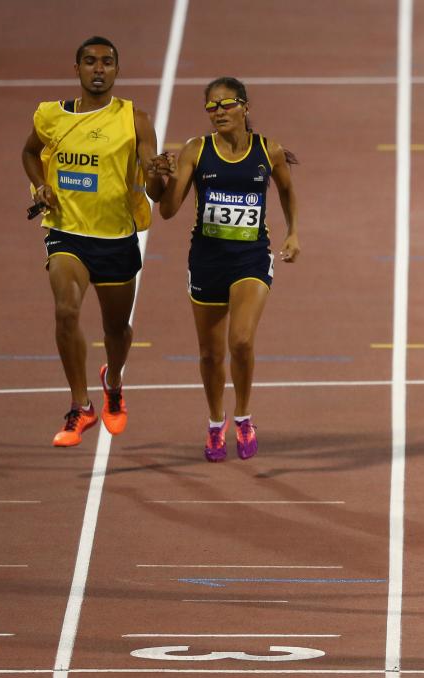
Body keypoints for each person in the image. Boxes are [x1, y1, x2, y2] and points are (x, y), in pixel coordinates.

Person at [22, 36, 168, 447]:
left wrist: (158, 172)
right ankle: (80, 405)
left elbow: (154, 190)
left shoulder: (134, 119)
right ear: (77, 69)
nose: (98, 68)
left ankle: (114, 382)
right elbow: (30, 154)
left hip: (116, 238)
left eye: (107, 62)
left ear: (117, 70)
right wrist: (39, 187)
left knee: (116, 329)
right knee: (66, 311)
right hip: (67, 233)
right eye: (90, 61)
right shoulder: (51, 116)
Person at [158, 76, 299, 462]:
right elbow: (168, 210)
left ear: (245, 107)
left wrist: (293, 233)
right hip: (206, 261)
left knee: (240, 340)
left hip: (250, 257)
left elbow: (286, 188)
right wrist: (160, 176)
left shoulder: (267, 150)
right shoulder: (195, 151)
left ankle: (244, 417)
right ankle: (215, 422)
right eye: (211, 106)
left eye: (226, 104)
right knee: (209, 354)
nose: (219, 112)